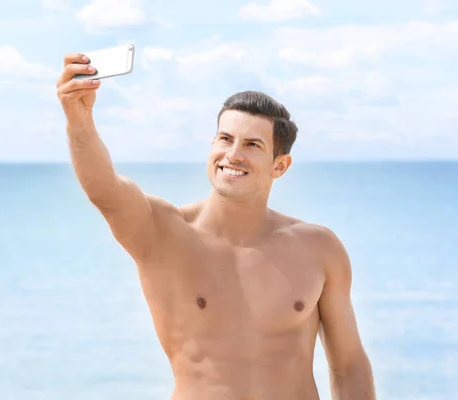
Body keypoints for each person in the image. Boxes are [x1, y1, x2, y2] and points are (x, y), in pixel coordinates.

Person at [56, 52, 376, 400]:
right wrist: (79, 121)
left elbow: (349, 365)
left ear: (279, 166)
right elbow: (105, 189)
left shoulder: (319, 249)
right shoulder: (164, 233)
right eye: (225, 139)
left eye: (252, 145)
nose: (233, 155)